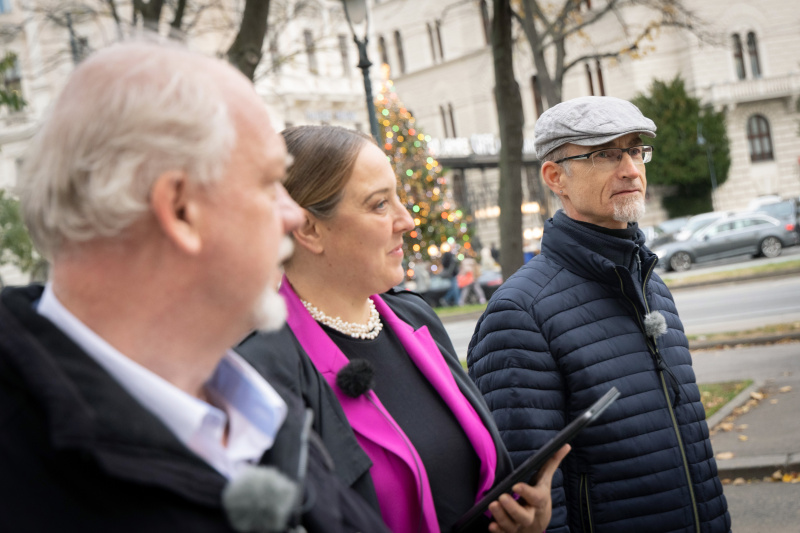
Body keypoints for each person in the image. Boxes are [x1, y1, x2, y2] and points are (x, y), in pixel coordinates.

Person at [0, 42, 390, 533]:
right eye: (270, 183)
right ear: (182, 210)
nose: (292, 215)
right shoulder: (24, 476)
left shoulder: (263, 415)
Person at [236, 125, 568, 533]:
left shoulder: (416, 318)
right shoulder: (262, 367)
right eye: (379, 205)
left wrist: (521, 520)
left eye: (398, 198)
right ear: (308, 229)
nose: (407, 221)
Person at [467, 96, 731, 533]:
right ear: (556, 177)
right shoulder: (520, 313)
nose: (630, 168)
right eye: (606, 153)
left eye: (635, 150)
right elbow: (529, 505)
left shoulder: (650, 283)